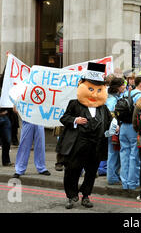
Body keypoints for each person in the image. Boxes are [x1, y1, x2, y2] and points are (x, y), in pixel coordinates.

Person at [57, 63, 112, 209]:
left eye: (98, 89)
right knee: (72, 171)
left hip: (96, 145)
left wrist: (115, 127)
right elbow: (64, 118)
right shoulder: (75, 104)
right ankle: (71, 195)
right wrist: (75, 120)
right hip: (77, 144)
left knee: (91, 172)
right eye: (91, 88)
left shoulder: (103, 108)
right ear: (82, 85)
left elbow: (110, 123)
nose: (94, 93)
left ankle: (86, 196)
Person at [119, 75, 141, 190]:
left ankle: (124, 183)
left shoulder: (125, 93)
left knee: (124, 155)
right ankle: (132, 183)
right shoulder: (140, 96)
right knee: (134, 156)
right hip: (133, 128)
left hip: (123, 126)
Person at [105, 77, 126, 185]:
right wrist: (115, 126)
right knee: (113, 152)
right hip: (113, 130)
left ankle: (114, 175)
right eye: (123, 84)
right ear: (118, 87)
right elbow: (111, 115)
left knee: (116, 152)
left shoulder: (116, 97)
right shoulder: (112, 100)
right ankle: (112, 177)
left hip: (116, 129)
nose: (124, 86)